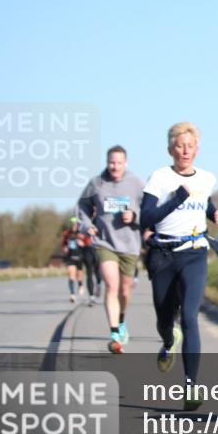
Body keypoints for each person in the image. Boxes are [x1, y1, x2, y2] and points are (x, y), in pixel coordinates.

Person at [140, 122, 218, 411]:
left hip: (194, 253)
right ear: (170, 149)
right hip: (164, 254)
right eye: (179, 145)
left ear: (197, 149)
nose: (185, 151)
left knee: (190, 316)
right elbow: (146, 217)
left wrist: (215, 214)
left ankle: (191, 385)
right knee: (165, 317)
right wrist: (177, 198)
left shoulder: (206, 178)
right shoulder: (160, 178)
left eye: (190, 146)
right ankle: (168, 339)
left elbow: (204, 200)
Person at [78, 145, 146, 354]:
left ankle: (122, 319)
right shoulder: (97, 184)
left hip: (130, 244)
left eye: (118, 163)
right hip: (104, 242)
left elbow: (150, 210)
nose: (114, 167)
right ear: (107, 162)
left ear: (126, 163)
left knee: (125, 291)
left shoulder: (136, 184)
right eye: (111, 162)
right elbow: (83, 206)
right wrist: (86, 224)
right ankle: (114, 333)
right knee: (111, 285)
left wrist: (135, 216)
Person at [59, 217, 90, 302]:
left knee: (79, 274)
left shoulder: (81, 233)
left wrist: (83, 243)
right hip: (70, 257)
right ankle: (72, 295)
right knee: (71, 274)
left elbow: (88, 243)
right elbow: (64, 243)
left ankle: (80, 284)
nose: (74, 226)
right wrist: (64, 248)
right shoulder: (67, 234)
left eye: (76, 224)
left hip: (79, 256)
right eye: (73, 224)